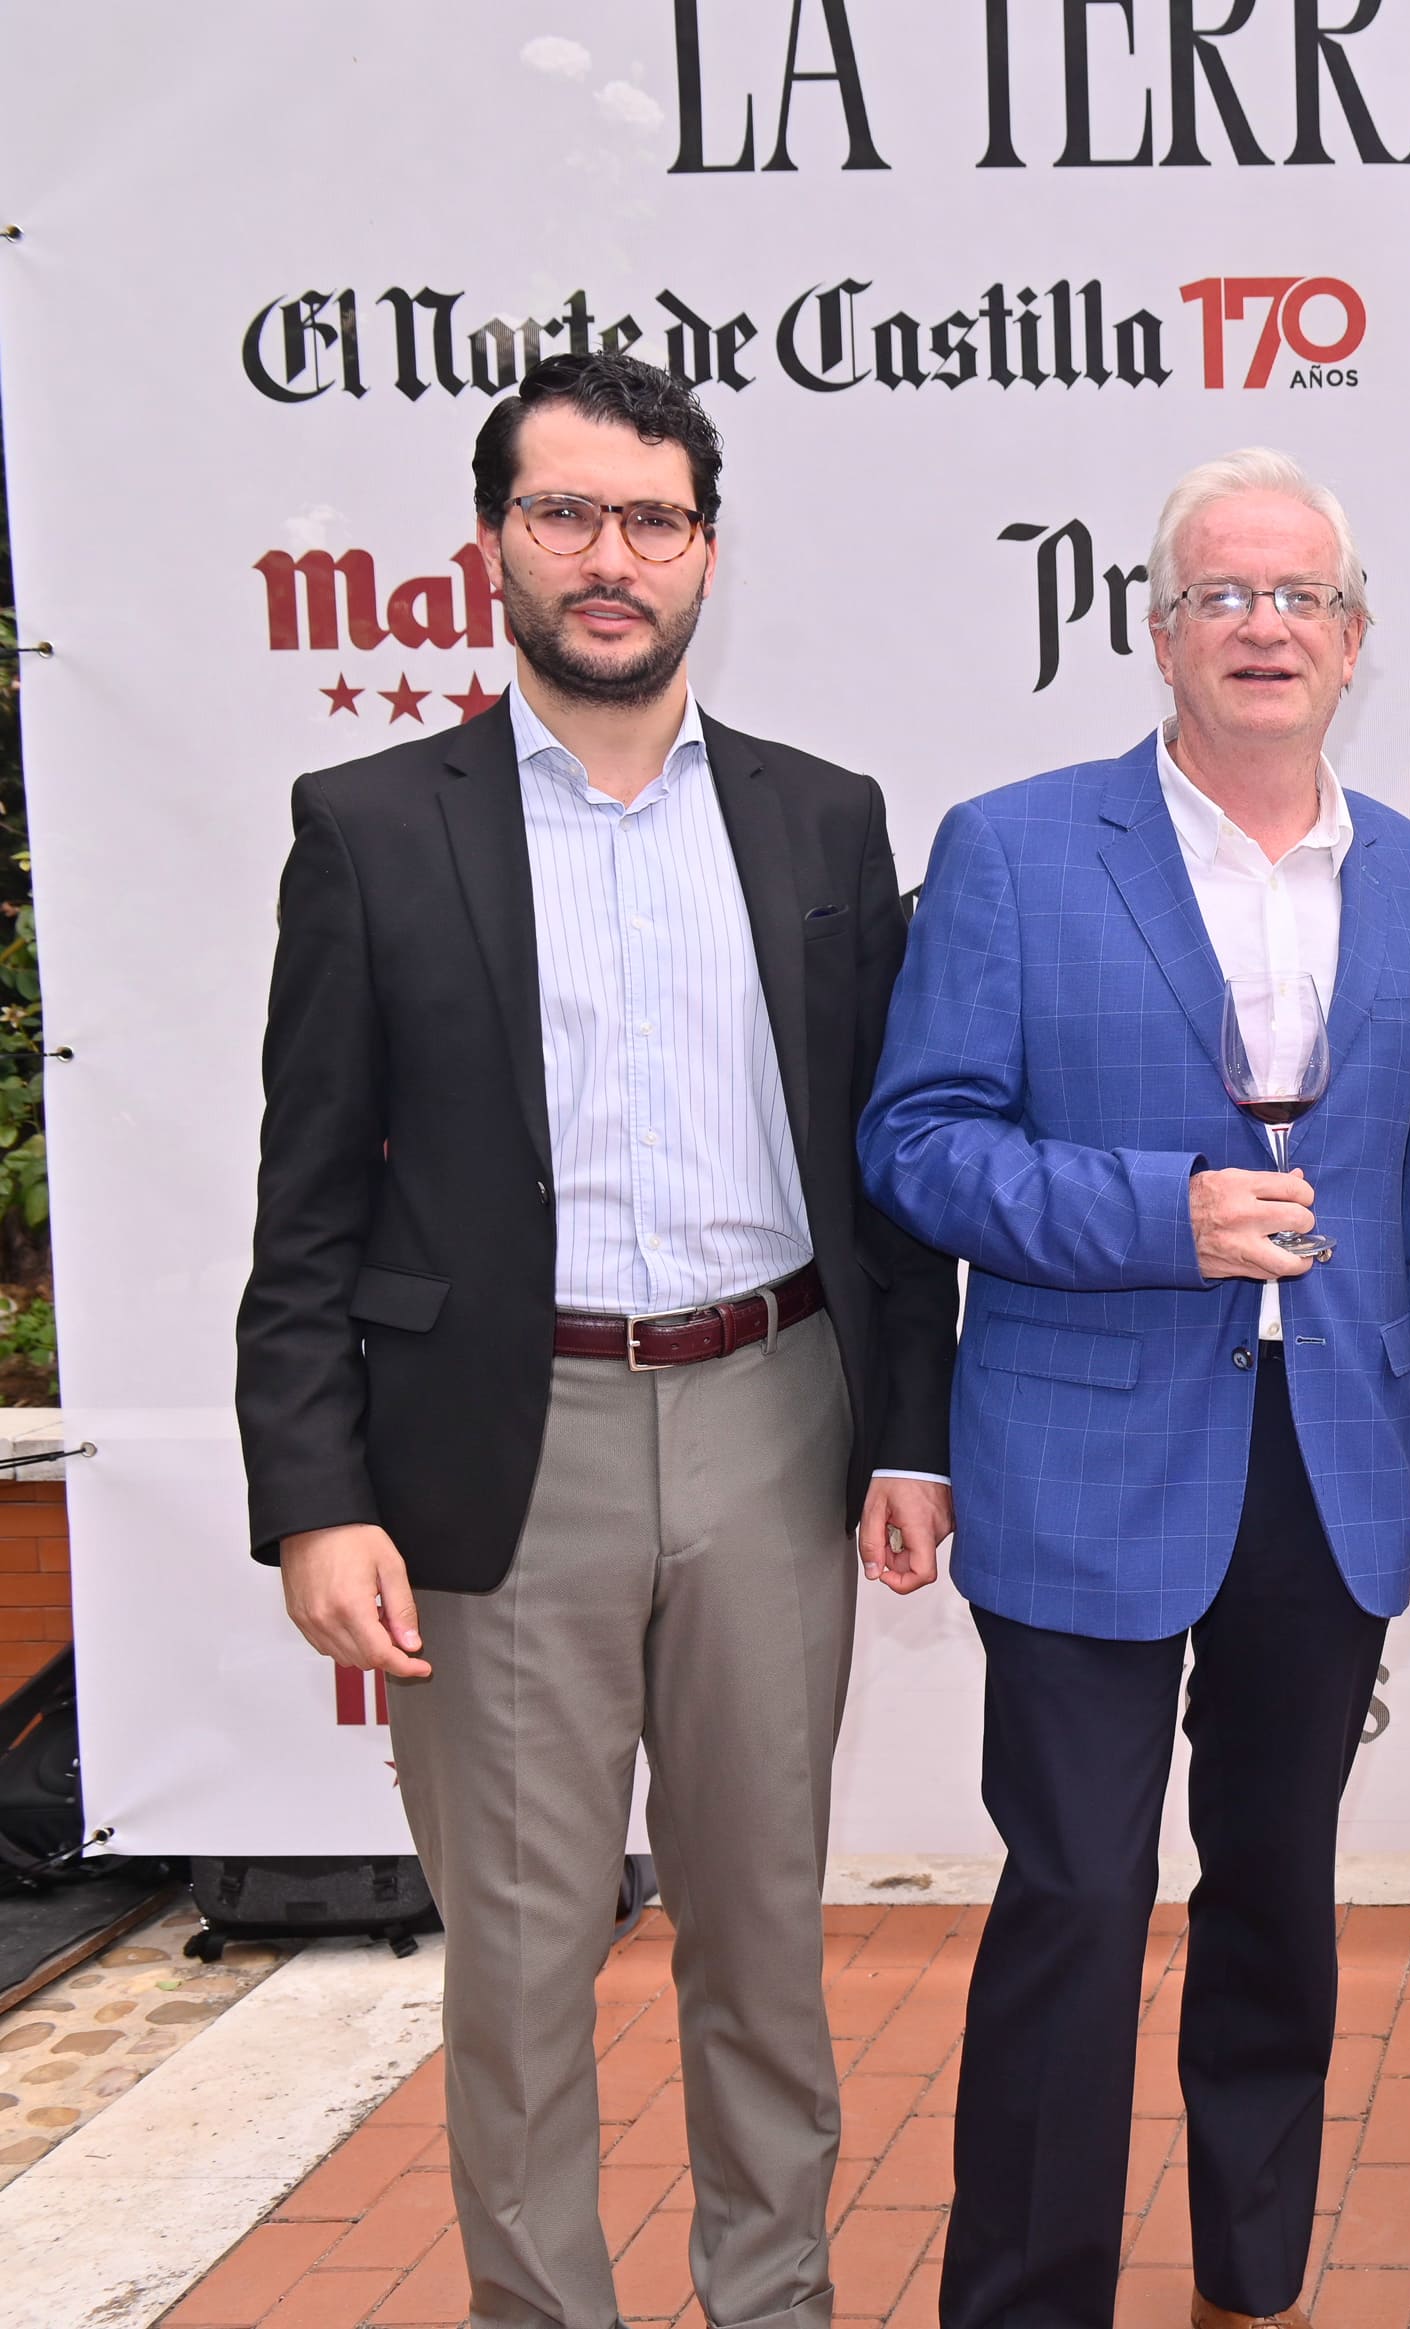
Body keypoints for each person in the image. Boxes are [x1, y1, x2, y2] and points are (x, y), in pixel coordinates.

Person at [236, 350, 960, 2329]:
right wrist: (315, 1496)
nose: (609, 557)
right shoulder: (378, 827)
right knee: (524, 1954)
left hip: (773, 1419)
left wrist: (914, 1434)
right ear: (493, 544)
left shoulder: (823, 824)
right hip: (496, 1447)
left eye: (651, 518)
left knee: (761, 1936)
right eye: (565, 514)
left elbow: (885, 1170)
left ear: (706, 549)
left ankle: (776, 2297)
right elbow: (306, 1201)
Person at [858, 447, 1410, 2329]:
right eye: (1223, 595)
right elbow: (918, 1144)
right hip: (1081, 1458)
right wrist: (1164, 1212)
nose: (1262, 626)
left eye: (1298, 598)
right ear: (1157, 631)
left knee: (1278, 1894)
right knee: (1073, 1901)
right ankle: (1030, 2297)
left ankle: (1252, 2276)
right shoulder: (1015, 847)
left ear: (1355, 639)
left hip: (1340, 1461)